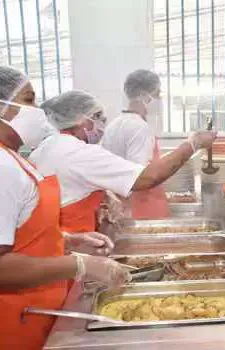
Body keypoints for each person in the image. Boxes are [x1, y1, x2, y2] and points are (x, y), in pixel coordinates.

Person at [0, 66, 129, 349]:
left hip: (37, 309)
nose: (38, 111)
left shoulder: (15, 160)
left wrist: (67, 240)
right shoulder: (3, 167)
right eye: (29, 99)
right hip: (14, 321)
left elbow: (20, 233)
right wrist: (80, 264)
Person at [30, 90, 216, 235]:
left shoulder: (47, 148)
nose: (101, 125)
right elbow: (147, 178)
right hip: (71, 245)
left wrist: (104, 195)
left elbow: (70, 187)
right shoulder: (78, 152)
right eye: (98, 118)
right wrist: (193, 144)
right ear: (81, 120)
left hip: (58, 240)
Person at [102, 69, 201, 219]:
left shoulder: (114, 125)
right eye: (157, 94)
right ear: (143, 96)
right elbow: (141, 177)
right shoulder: (139, 128)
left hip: (127, 206)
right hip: (143, 210)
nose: (159, 99)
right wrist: (192, 144)